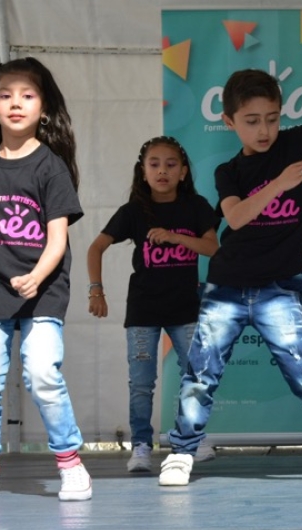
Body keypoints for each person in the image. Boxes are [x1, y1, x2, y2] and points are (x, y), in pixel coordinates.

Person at [158, 68, 302, 486]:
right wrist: (281, 182)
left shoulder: (297, 141)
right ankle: (182, 452)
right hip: (226, 288)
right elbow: (237, 217)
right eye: (252, 121)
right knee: (201, 374)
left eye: (272, 118)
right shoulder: (228, 171)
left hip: (279, 289)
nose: (264, 130)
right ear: (229, 122)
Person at [0, 57, 91, 502]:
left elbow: (58, 239)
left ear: (44, 108)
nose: (16, 102)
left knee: (42, 375)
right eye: (5, 95)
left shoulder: (50, 166)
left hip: (43, 290)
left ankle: (71, 464)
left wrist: (36, 276)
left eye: (27, 95)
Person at [86, 136, 219, 473]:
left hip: (185, 307)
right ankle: (142, 446)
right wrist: (96, 291)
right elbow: (95, 248)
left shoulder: (197, 206)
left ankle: (190, 439)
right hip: (144, 310)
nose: (163, 171)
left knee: (195, 375)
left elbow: (212, 249)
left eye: (171, 164)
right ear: (143, 172)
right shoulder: (133, 211)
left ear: (184, 171)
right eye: (155, 164)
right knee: (142, 383)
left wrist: (175, 237)